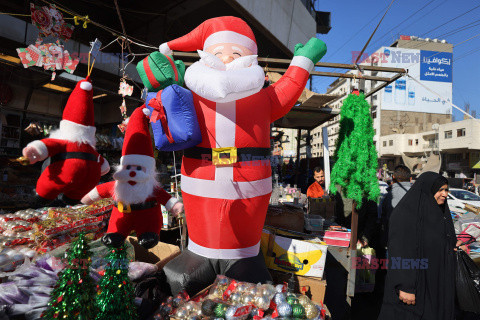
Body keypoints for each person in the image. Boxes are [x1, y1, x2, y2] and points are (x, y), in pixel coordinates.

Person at [378, 171, 466, 320]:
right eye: (440, 190)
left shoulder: (441, 213)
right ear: (427, 189)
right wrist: (405, 286)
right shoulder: (405, 214)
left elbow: (440, 240)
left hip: (436, 283)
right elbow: (400, 251)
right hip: (413, 286)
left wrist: (453, 247)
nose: (444, 194)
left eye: (446, 190)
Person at [381, 165, 412, 246]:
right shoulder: (420, 195)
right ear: (411, 179)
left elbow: (382, 219)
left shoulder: (388, 196)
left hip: (393, 243)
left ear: (393, 177)